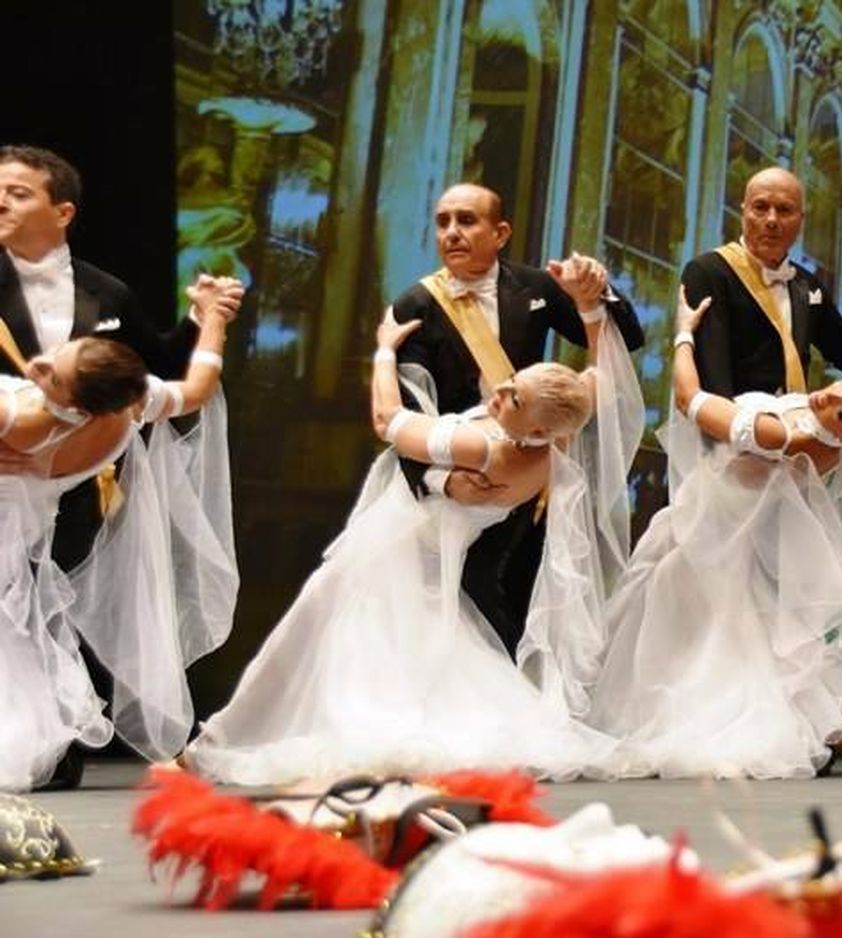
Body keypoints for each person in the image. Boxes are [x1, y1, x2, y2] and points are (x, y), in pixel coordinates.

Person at [185, 258, 638, 786]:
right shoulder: (551, 448)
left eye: (513, 398)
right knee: (402, 654)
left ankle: (220, 742)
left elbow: (388, 422)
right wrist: (591, 306)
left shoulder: (485, 447)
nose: (499, 393)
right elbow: (602, 377)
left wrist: (383, 351)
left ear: (535, 425)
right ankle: (227, 737)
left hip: (401, 549)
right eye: (510, 382)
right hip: (425, 555)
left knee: (314, 626)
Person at [587, 281, 842, 779]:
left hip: (715, 530)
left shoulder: (781, 433)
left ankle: (696, 718)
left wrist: (683, 334)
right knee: (723, 624)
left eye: (839, 410)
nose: (832, 393)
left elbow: (689, 399)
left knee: (686, 618)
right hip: (733, 525)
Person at [388, 182, 644, 656]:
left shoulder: (537, 288)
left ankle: (522, 708)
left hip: (532, 477)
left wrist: (598, 291)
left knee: (528, 604)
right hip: (458, 481)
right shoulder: (415, 305)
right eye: (443, 222)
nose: (452, 232)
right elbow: (402, 414)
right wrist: (440, 481)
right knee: (465, 603)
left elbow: (625, 341)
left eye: (467, 220)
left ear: (500, 232)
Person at [0, 279, 236, 792]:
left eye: (52, 372)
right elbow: (198, 387)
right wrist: (213, 318)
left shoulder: (19, 418)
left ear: (75, 402)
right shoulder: (126, 407)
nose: (40, 364)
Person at [680, 166, 842, 399]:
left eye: (784, 210)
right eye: (761, 207)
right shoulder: (708, 272)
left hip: (791, 427)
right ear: (744, 211)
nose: (772, 220)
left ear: (801, 219)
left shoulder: (807, 284)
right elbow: (712, 380)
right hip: (729, 428)